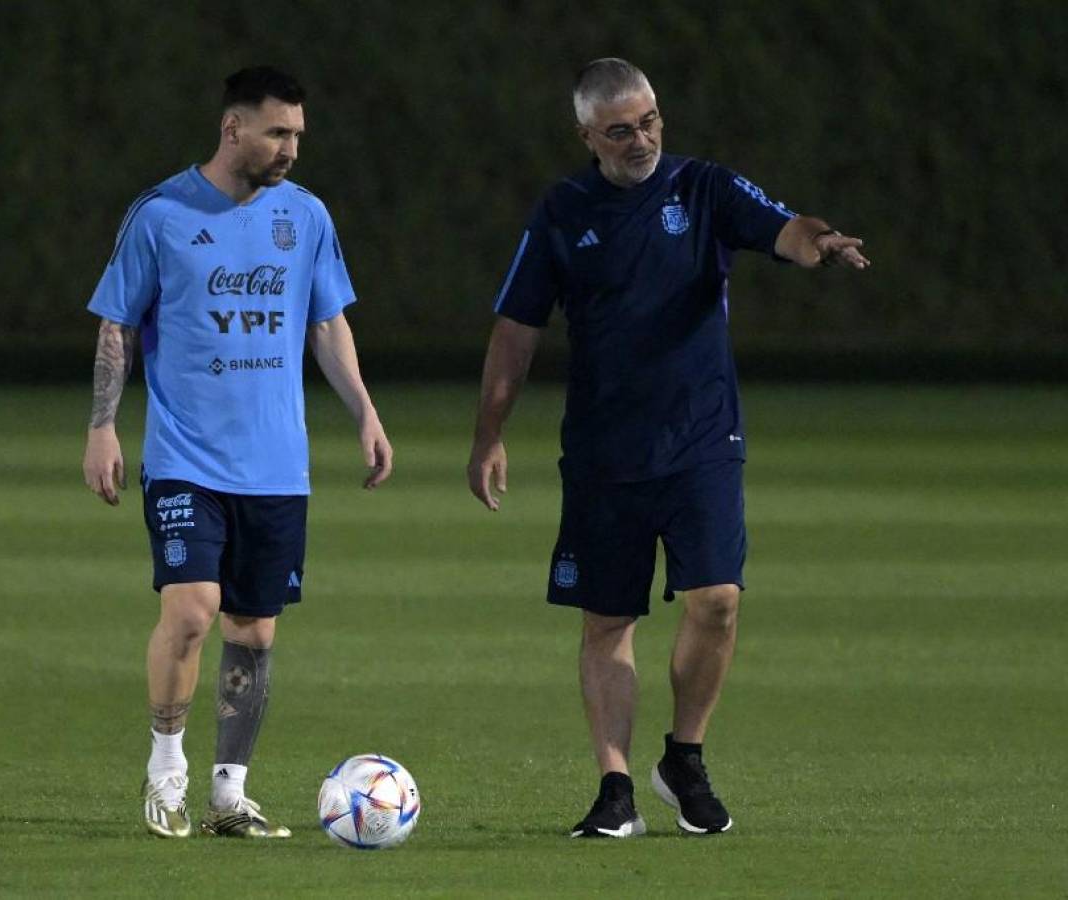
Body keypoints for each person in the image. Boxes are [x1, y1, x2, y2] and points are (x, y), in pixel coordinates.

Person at [467, 58, 868, 839]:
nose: (641, 140)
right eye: (620, 130)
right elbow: (516, 331)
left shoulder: (704, 188)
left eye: (649, 121)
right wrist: (490, 434)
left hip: (701, 438)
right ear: (587, 136)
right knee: (607, 621)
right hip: (604, 450)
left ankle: (684, 757)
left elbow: (785, 227)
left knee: (717, 599)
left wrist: (818, 243)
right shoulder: (562, 212)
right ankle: (615, 789)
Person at [82, 65, 393, 840]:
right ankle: (166, 774)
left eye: (297, 134)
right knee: (192, 610)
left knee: (253, 633)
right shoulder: (161, 214)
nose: (290, 148)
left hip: (276, 465)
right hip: (185, 459)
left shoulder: (305, 216)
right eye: (277, 132)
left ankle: (229, 794)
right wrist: (102, 426)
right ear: (233, 128)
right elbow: (118, 323)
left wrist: (364, 411)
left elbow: (326, 321)